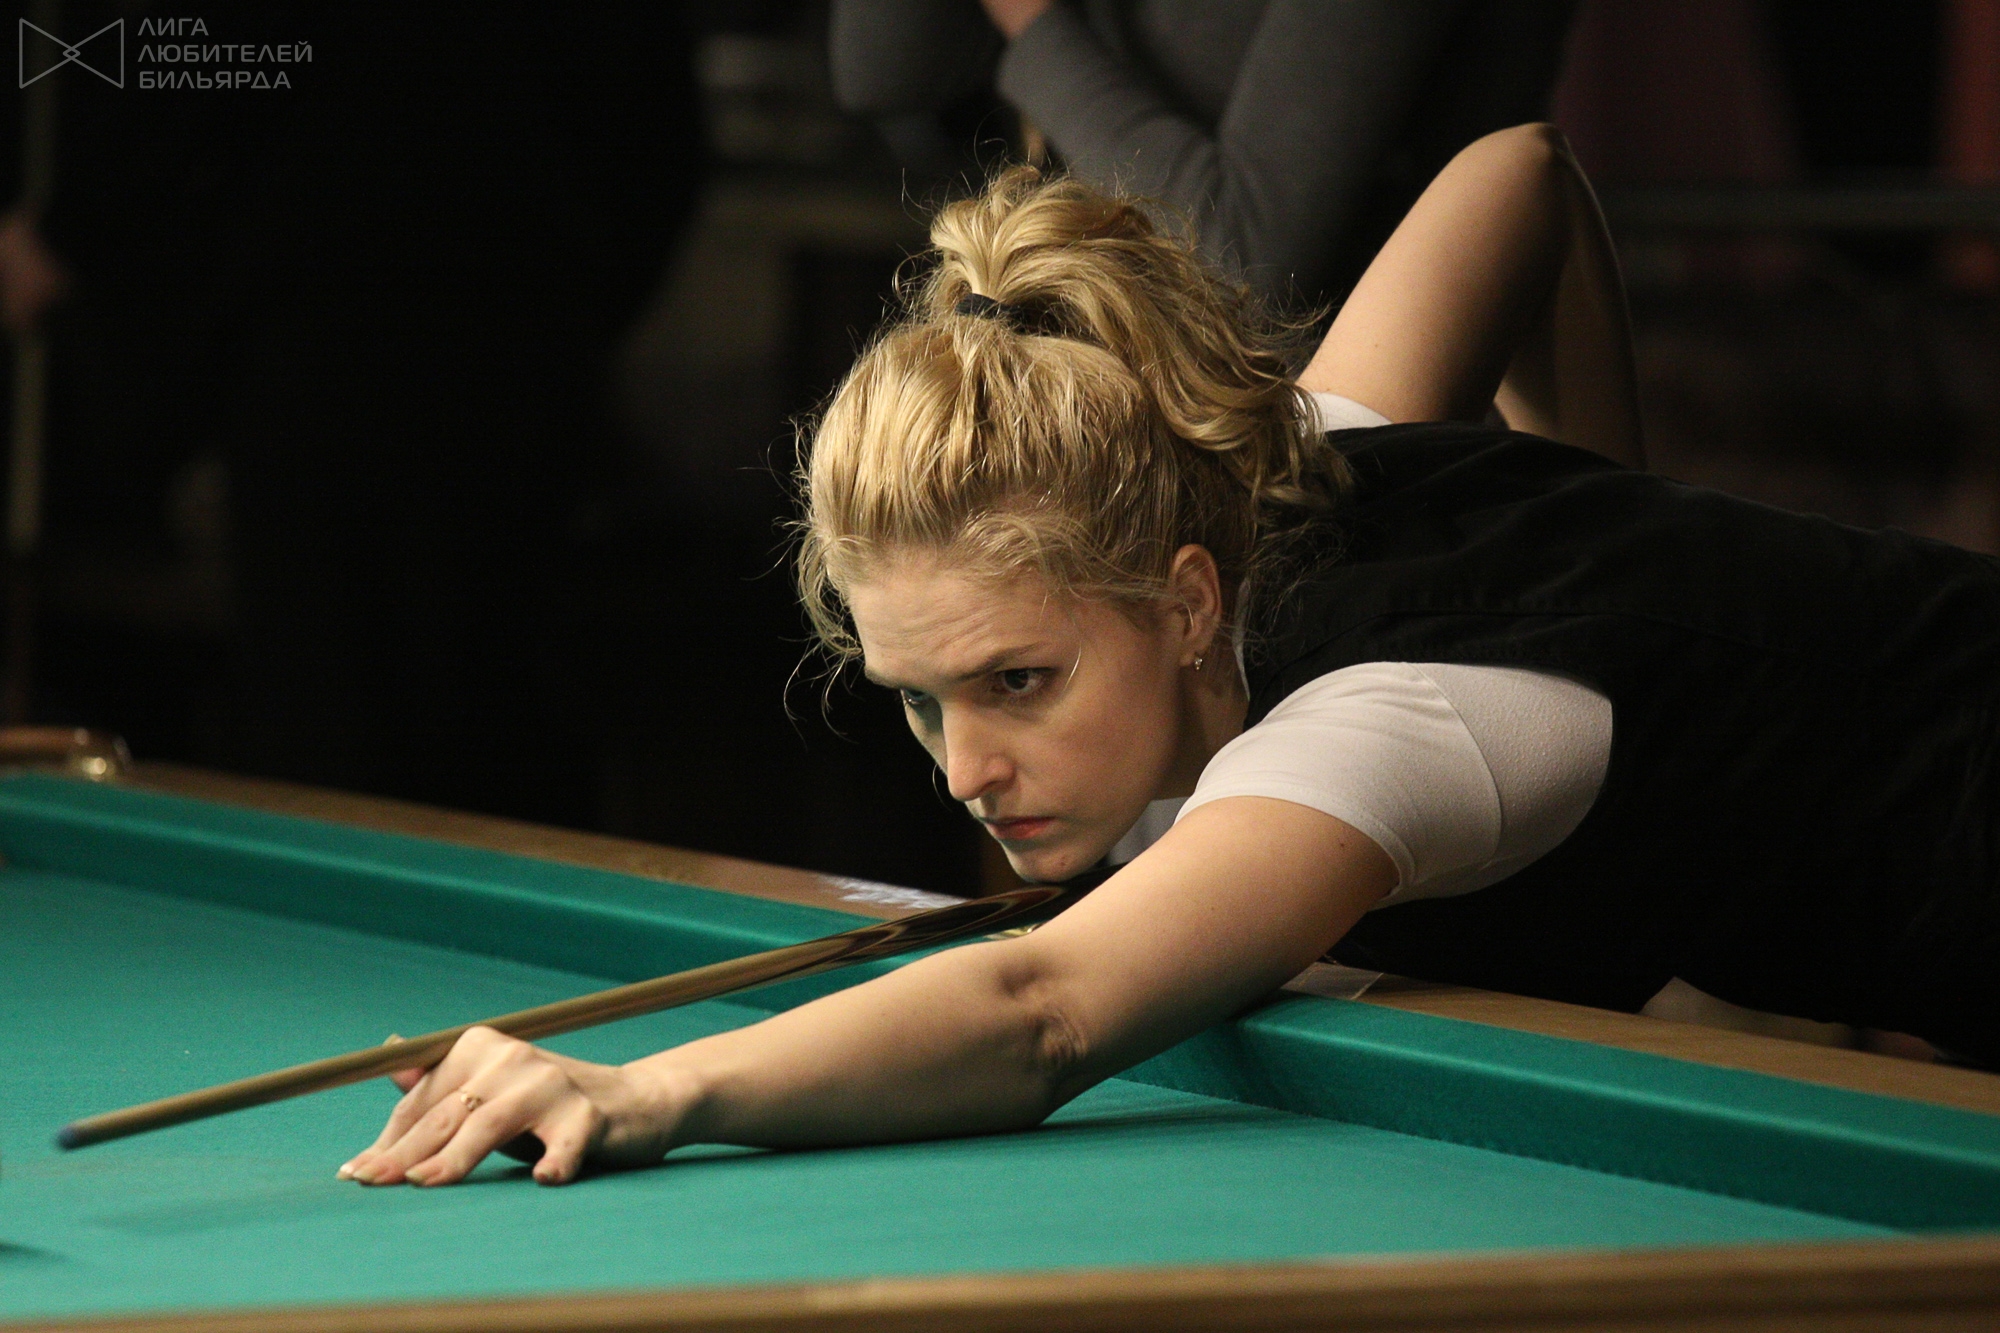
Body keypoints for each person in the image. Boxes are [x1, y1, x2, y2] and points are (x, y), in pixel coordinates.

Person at [337, 124, 1998, 1189]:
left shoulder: (1383, 724)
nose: (965, 770)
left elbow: (1047, 1007)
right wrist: (1612, 531)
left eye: (1019, 680)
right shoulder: (1279, 453)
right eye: (919, 699)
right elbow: (1524, 178)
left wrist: (646, 1093)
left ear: (1191, 603)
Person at [830, 0, 1575, 309]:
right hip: (1117, 398)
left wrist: (1029, 19)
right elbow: (881, 70)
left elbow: (1245, 256)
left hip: (1328, 450)